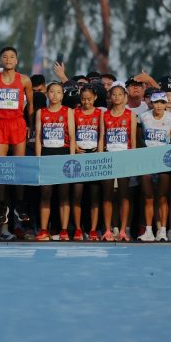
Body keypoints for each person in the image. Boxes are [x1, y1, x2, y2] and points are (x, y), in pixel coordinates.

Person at [0, 47, 34, 241]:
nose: (8, 59)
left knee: (19, 167)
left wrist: (30, 126)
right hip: (0, 125)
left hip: (18, 124)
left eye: (12, 56)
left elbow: (30, 105)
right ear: (0, 60)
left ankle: (19, 204)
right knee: (1, 168)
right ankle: (2, 205)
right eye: (5, 57)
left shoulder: (24, 80)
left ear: (17, 60)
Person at [34, 81, 76, 241]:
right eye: (52, 92)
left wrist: (72, 159)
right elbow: (38, 137)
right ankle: (44, 229)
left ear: (62, 95)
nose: (55, 95)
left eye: (59, 92)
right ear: (47, 94)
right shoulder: (41, 112)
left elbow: (72, 137)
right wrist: (38, 158)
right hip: (46, 155)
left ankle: (64, 230)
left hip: (64, 155)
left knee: (64, 194)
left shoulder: (68, 111)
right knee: (46, 193)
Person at [137, 91, 171, 242]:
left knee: (162, 197)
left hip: (163, 162)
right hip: (147, 161)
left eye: (162, 102)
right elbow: (139, 137)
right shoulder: (143, 117)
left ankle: (162, 231)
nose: (159, 106)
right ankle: (149, 231)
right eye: (156, 102)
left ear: (166, 104)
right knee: (148, 197)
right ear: (151, 103)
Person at [100, 82, 137, 242]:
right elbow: (102, 138)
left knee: (124, 195)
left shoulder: (130, 115)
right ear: (110, 96)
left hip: (124, 158)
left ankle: (122, 230)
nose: (116, 97)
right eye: (114, 94)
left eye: (120, 94)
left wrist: (132, 160)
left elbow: (133, 140)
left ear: (125, 97)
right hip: (108, 158)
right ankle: (108, 230)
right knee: (107, 195)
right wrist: (100, 157)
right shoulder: (105, 115)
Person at [73, 85, 103, 241]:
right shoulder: (74, 112)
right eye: (83, 99)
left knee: (94, 196)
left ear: (95, 98)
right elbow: (70, 132)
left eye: (89, 99)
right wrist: (74, 146)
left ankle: (93, 230)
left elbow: (103, 133)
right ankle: (78, 229)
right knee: (77, 195)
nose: (86, 102)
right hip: (79, 156)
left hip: (94, 157)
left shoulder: (100, 113)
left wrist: (100, 149)